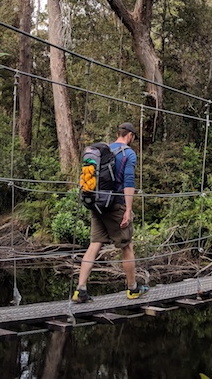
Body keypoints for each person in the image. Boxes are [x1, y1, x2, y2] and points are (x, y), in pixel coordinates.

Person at [72, 122, 150, 303]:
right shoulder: (128, 153)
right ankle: (132, 289)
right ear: (130, 135)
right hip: (116, 205)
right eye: (133, 137)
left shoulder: (103, 150)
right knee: (127, 246)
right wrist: (128, 210)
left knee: (95, 244)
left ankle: (80, 290)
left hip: (98, 204)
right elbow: (129, 182)